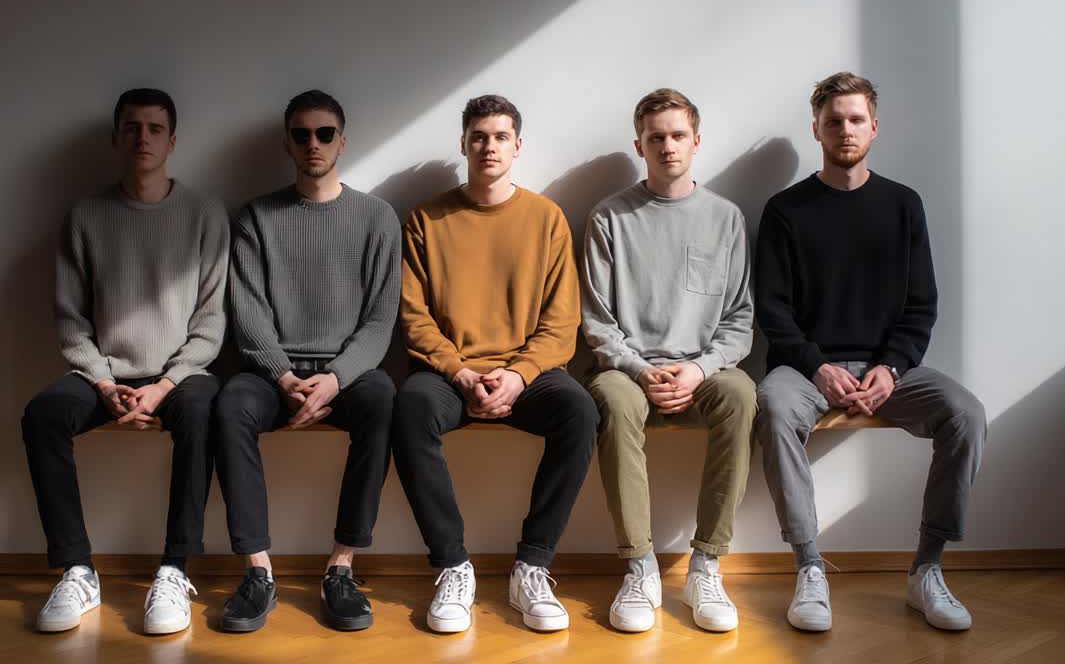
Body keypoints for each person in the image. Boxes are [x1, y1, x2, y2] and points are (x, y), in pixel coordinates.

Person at [753, 72, 987, 632]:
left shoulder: (904, 204)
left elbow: (921, 304)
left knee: (966, 413)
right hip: (806, 368)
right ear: (816, 129)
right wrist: (816, 365)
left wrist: (892, 366)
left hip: (891, 369)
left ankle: (926, 569)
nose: (845, 129)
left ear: (874, 127)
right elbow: (773, 310)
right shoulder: (785, 210)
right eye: (833, 121)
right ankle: (809, 568)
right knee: (775, 405)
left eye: (856, 119)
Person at [22, 88, 229, 634]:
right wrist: (104, 383)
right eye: (132, 128)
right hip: (102, 374)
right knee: (42, 414)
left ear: (173, 140)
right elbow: (69, 319)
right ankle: (77, 569)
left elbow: (211, 325)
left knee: (207, 406)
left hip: (179, 376)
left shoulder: (205, 213)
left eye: (155, 128)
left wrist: (162, 387)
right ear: (117, 138)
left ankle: (174, 568)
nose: (143, 138)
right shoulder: (86, 215)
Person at [391, 95, 599, 633]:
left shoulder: (546, 218)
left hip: (526, 373)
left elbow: (561, 323)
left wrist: (516, 375)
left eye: (501, 137)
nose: (489, 146)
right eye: (479, 136)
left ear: (517, 146)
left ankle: (532, 566)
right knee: (410, 408)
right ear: (463, 144)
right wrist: (459, 372)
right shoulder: (426, 219)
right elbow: (413, 319)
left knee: (580, 412)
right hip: (448, 374)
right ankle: (453, 567)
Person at [212, 90, 401, 633]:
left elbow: (380, 321)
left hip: (348, 374)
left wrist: (335, 380)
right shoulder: (256, 216)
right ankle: (258, 572)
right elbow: (247, 312)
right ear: (287, 142)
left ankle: (341, 567)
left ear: (343, 140)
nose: (312, 144)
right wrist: (287, 377)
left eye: (324, 133)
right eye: (301, 134)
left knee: (385, 401)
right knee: (229, 406)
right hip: (275, 373)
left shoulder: (377, 217)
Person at [581, 88, 755, 633]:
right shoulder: (609, 216)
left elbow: (740, 319)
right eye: (655, 137)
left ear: (696, 142)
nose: (667, 146)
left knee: (743, 395)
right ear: (640, 145)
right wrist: (638, 369)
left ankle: (707, 563)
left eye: (678, 135)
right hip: (628, 370)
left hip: (702, 368)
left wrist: (699, 368)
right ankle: (638, 564)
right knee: (610, 398)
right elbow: (596, 320)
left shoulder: (726, 218)